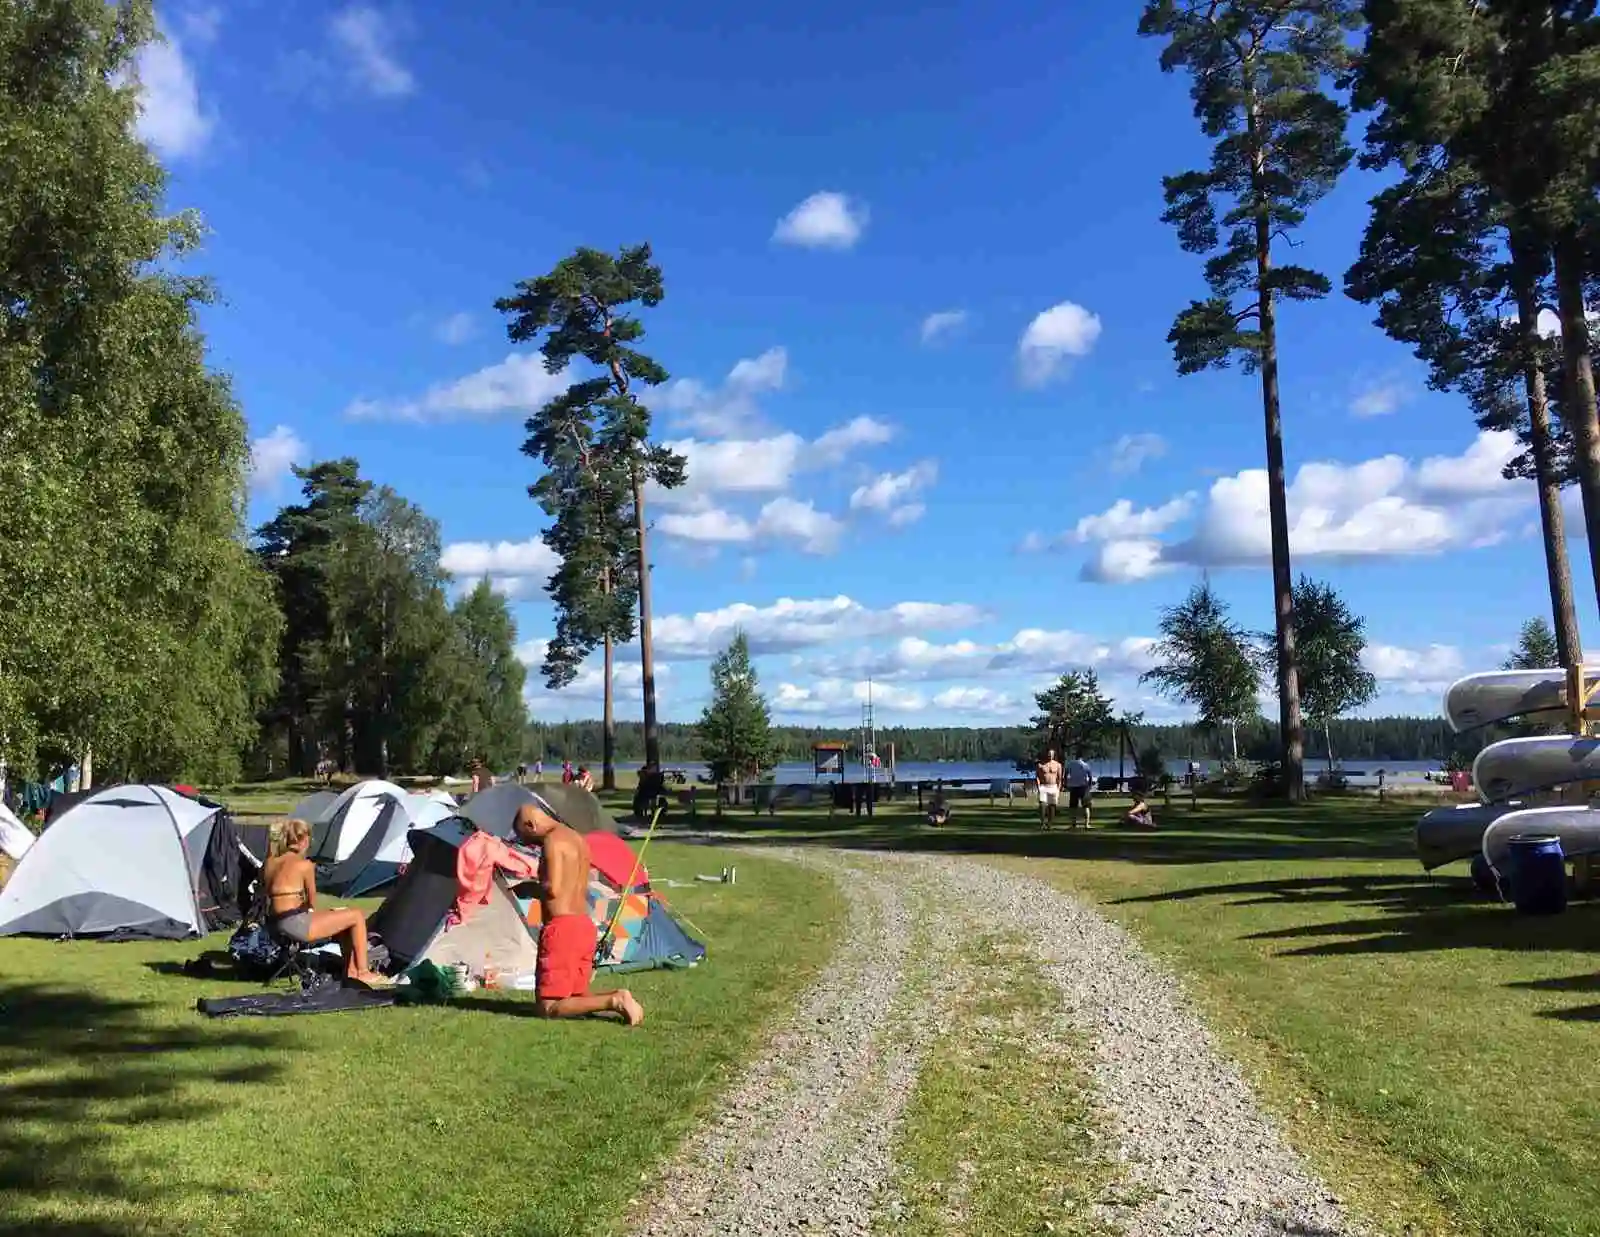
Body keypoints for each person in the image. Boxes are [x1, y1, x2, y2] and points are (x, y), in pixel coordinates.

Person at [512, 803, 644, 1025]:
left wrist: (528, 888)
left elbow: (553, 888)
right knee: (574, 997)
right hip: (583, 925)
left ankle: (616, 1000)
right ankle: (619, 1000)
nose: (530, 845)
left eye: (527, 838)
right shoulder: (577, 839)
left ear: (531, 824)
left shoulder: (552, 841)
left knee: (549, 1005)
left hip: (561, 928)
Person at [262, 819, 387, 985]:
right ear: (305, 840)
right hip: (295, 924)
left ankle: (350, 972)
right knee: (356, 916)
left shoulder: (270, 863)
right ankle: (363, 972)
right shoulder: (304, 865)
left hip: (274, 925)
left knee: (343, 920)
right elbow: (311, 902)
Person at [1065, 754, 1096, 828]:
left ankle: (1073, 824)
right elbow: (1090, 776)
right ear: (1082, 757)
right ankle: (1086, 824)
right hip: (1083, 787)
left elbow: (1066, 775)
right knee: (1086, 806)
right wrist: (1089, 786)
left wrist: (1067, 784)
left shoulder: (1070, 764)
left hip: (1073, 787)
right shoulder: (1085, 765)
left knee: (1073, 807)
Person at [1036, 749, 1063, 829]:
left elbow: (1059, 778)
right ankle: (1042, 823)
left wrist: (1058, 788)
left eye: (1051, 754)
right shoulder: (1041, 765)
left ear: (1053, 755)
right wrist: (1039, 786)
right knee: (1042, 805)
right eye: (1049, 754)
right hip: (1044, 786)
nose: (1050, 756)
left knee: (1052, 806)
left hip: (1053, 786)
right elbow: (1037, 776)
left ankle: (1049, 824)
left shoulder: (1058, 765)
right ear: (1046, 754)